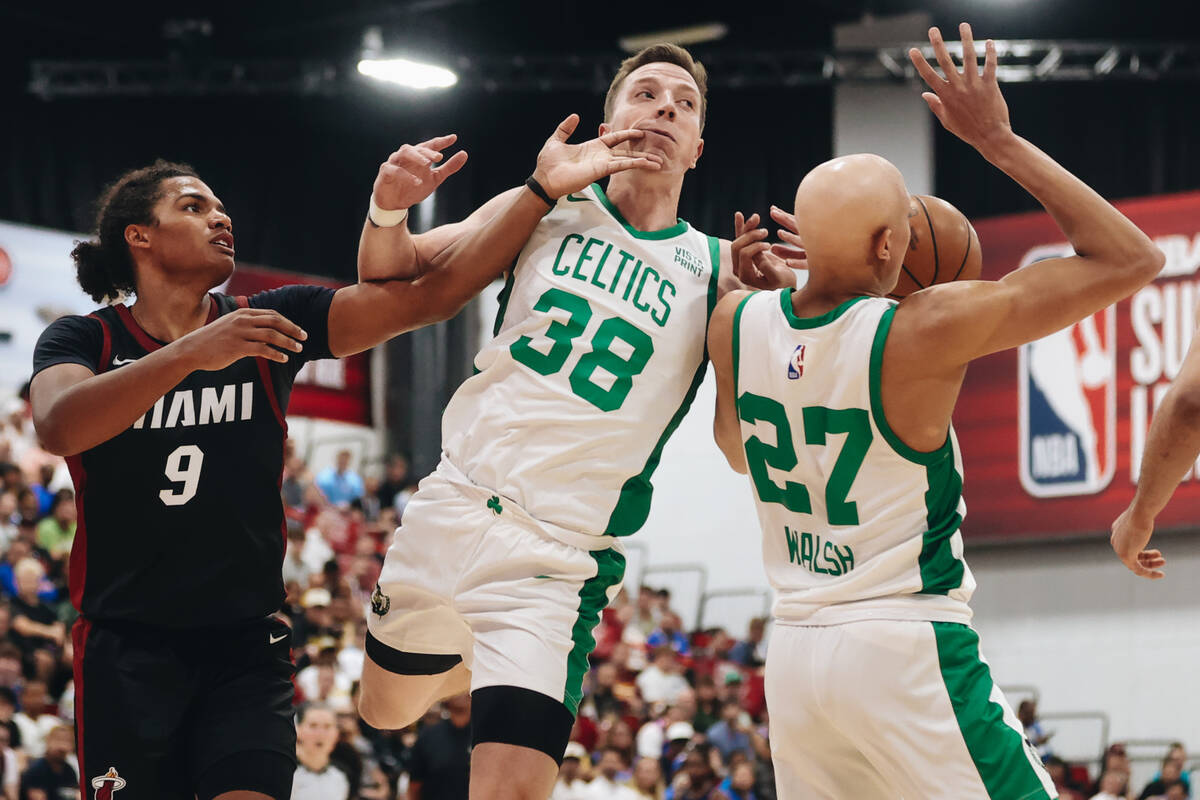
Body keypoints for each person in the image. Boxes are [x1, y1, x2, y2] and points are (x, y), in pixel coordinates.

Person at [28, 126, 621, 800]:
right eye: (194, 207)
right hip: (126, 649)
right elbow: (57, 425)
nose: (220, 216)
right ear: (139, 236)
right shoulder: (85, 338)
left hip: (243, 649)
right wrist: (193, 354)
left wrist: (539, 191)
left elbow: (431, 296)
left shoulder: (271, 319)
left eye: (222, 206)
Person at [707, 23, 1162, 800]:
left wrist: (784, 296)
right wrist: (999, 142)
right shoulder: (919, 331)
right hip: (903, 648)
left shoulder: (734, 320)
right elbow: (1132, 259)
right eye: (908, 224)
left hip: (795, 657)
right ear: (889, 246)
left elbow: (736, 450)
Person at [358, 40, 793, 800]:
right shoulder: (545, 206)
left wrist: (766, 316)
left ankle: (510, 662)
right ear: (608, 121)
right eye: (646, 94)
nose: (664, 108)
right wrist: (388, 206)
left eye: (683, 105)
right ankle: (476, 659)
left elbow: (750, 433)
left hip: (555, 562)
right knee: (383, 710)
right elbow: (388, 272)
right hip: (455, 505)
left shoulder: (722, 268)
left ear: (697, 148)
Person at [407, 694, 472, 800]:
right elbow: (414, 784)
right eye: (459, 688)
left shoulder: (484, 737)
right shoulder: (428, 736)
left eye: (467, 688)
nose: (462, 693)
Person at [292, 703, 350, 800]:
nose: (320, 734)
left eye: (327, 726)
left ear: (336, 733)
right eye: (313, 726)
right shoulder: (285, 774)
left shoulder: (340, 777)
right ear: (298, 730)